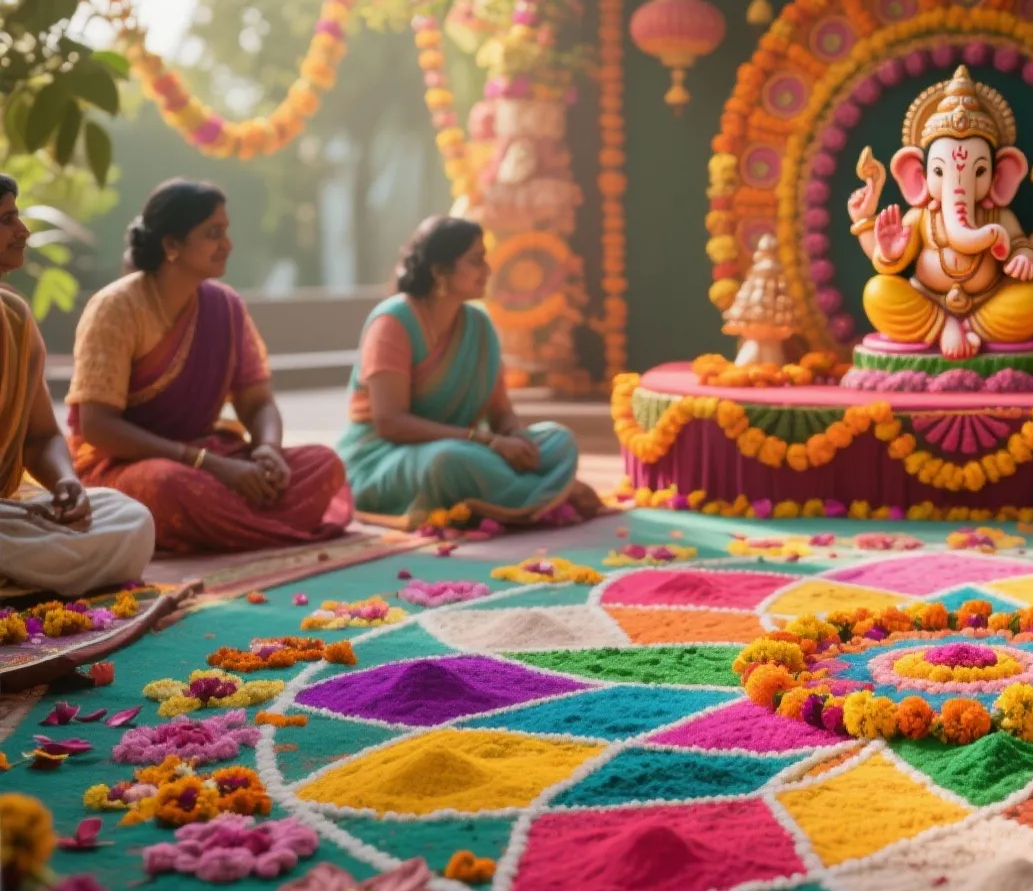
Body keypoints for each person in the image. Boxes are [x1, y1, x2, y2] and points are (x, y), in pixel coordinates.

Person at [65, 179, 352, 554]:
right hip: (126, 464)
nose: (227, 244)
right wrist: (208, 464)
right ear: (172, 245)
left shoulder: (225, 306)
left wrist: (269, 449)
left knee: (323, 463)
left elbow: (257, 402)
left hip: (209, 456)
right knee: (168, 486)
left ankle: (228, 528)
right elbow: (98, 426)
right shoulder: (116, 308)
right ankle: (255, 525)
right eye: (213, 234)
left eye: (226, 232)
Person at [338, 216, 595, 529]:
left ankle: (513, 498)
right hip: (386, 458)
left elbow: (501, 413)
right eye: (476, 261)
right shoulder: (394, 323)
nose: (487, 270)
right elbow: (390, 422)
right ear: (439, 271)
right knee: (449, 461)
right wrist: (487, 441)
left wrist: (515, 437)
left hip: (469, 447)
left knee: (558, 440)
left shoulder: (479, 326)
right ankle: (550, 494)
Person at [0, 174, 154, 595]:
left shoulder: (13, 317)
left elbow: (42, 436)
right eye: (7, 219)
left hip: (8, 519)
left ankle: (22, 578)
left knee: (131, 519)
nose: (23, 232)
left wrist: (66, 484)